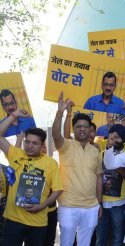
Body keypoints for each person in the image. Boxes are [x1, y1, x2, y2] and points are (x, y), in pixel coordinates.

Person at [0, 108, 63, 246]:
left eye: (34, 143)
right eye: (27, 142)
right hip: (13, 219)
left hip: (38, 221)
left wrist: (43, 205)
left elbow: (58, 189)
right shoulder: (16, 154)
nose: (29, 146)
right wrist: (14, 115)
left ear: (42, 145)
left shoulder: (50, 163)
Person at [52, 92, 103, 246]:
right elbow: (55, 135)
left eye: (85, 127)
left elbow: (99, 177)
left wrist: (99, 203)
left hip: (91, 206)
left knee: (85, 244)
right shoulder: (66, 145)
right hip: (68, 205)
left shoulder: (95, 151)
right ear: (74, 128)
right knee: (66, 243)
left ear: (90, 130)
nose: (82, 129)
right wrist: (61, 113)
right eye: (79, 126)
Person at [96, 124, 125, 246]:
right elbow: (97, 177)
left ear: (124, 140)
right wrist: (98, 201)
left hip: (119, 203)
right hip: (102, 203)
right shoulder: (102, 154)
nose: (115, 140)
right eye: (113, 136)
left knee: (117, 240)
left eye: (118, 137)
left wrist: (120, 168)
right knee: (101, 239)